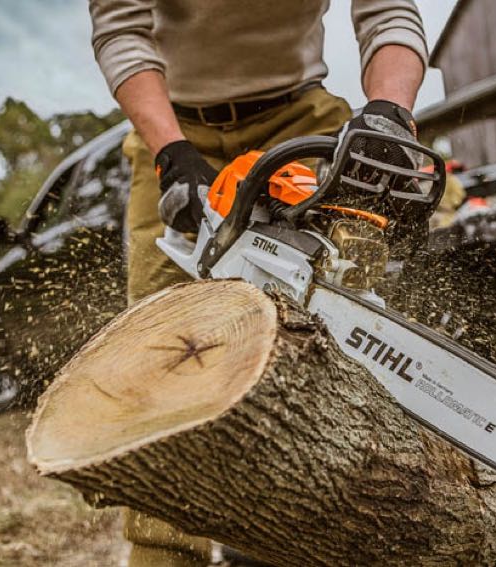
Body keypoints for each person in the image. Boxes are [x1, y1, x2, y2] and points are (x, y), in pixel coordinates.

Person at [88, 2, 429, 564]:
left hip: (299, 115)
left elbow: (388, 10)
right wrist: (169, 152)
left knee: (336, 321)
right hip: (173, 126)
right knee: (158, 354)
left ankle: (309, 535)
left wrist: (390, 111)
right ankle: (165, 552)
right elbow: (122, 30)